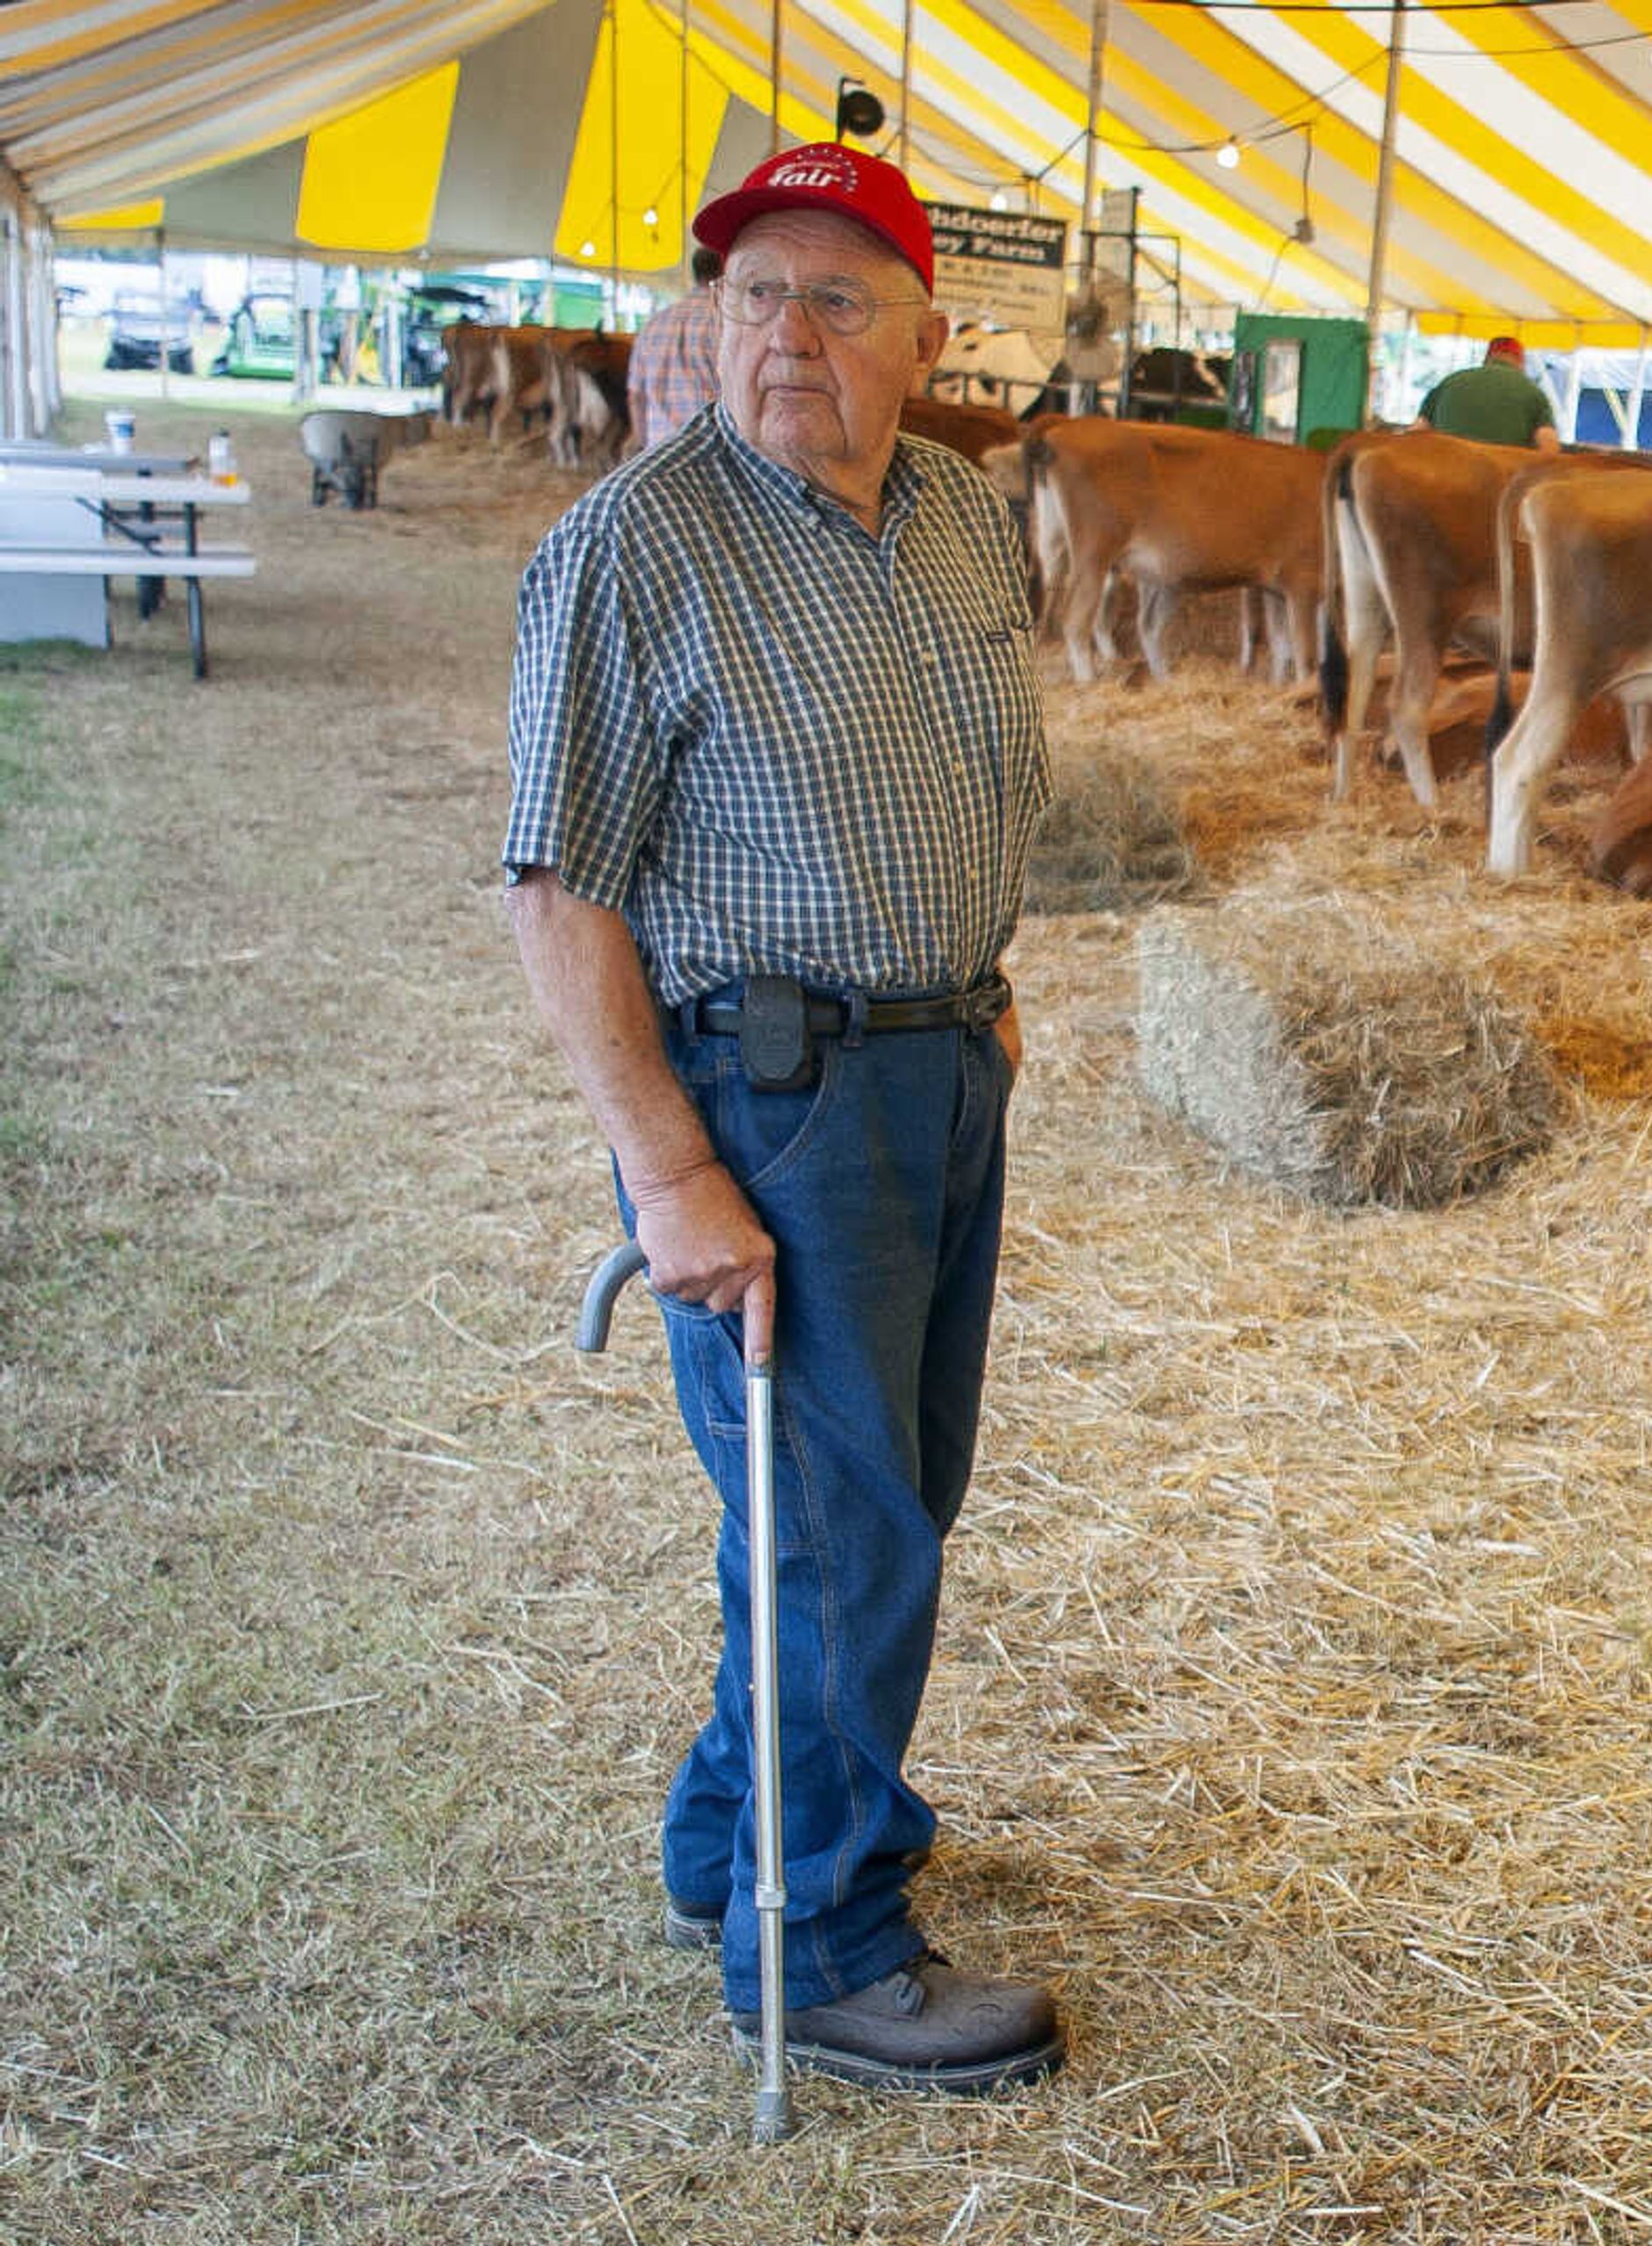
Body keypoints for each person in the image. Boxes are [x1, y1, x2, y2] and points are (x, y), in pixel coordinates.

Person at [502, 141, 1063, 2098]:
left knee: (869, 1504)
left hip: (941, 1064)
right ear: (703, 324)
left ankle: (721, 1846)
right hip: (772, 1087)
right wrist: (667, 1169)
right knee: (843, 1540)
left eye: (838, 300)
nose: (790, 337)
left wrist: (980, 997)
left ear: (928, 334)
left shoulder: (973, 521)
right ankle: (818, 1942)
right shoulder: (633, 549)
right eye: (757, 297)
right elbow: (557, 890)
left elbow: (987, 766)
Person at [627, 247, 726, 453]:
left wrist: (641, 441)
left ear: (695, 273)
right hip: (710, 450)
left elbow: (636, 396)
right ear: (725, 270)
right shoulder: (726, 322)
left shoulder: (653, 324)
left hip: (660, 451)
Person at [1415, 334, 1561, 452]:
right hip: (1501, 483)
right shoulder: (1533, 393)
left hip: (1444, 476)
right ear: (1520, 362)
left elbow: (1417, 432)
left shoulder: (1449, 382)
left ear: (1487, 358)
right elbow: (1548, 444)